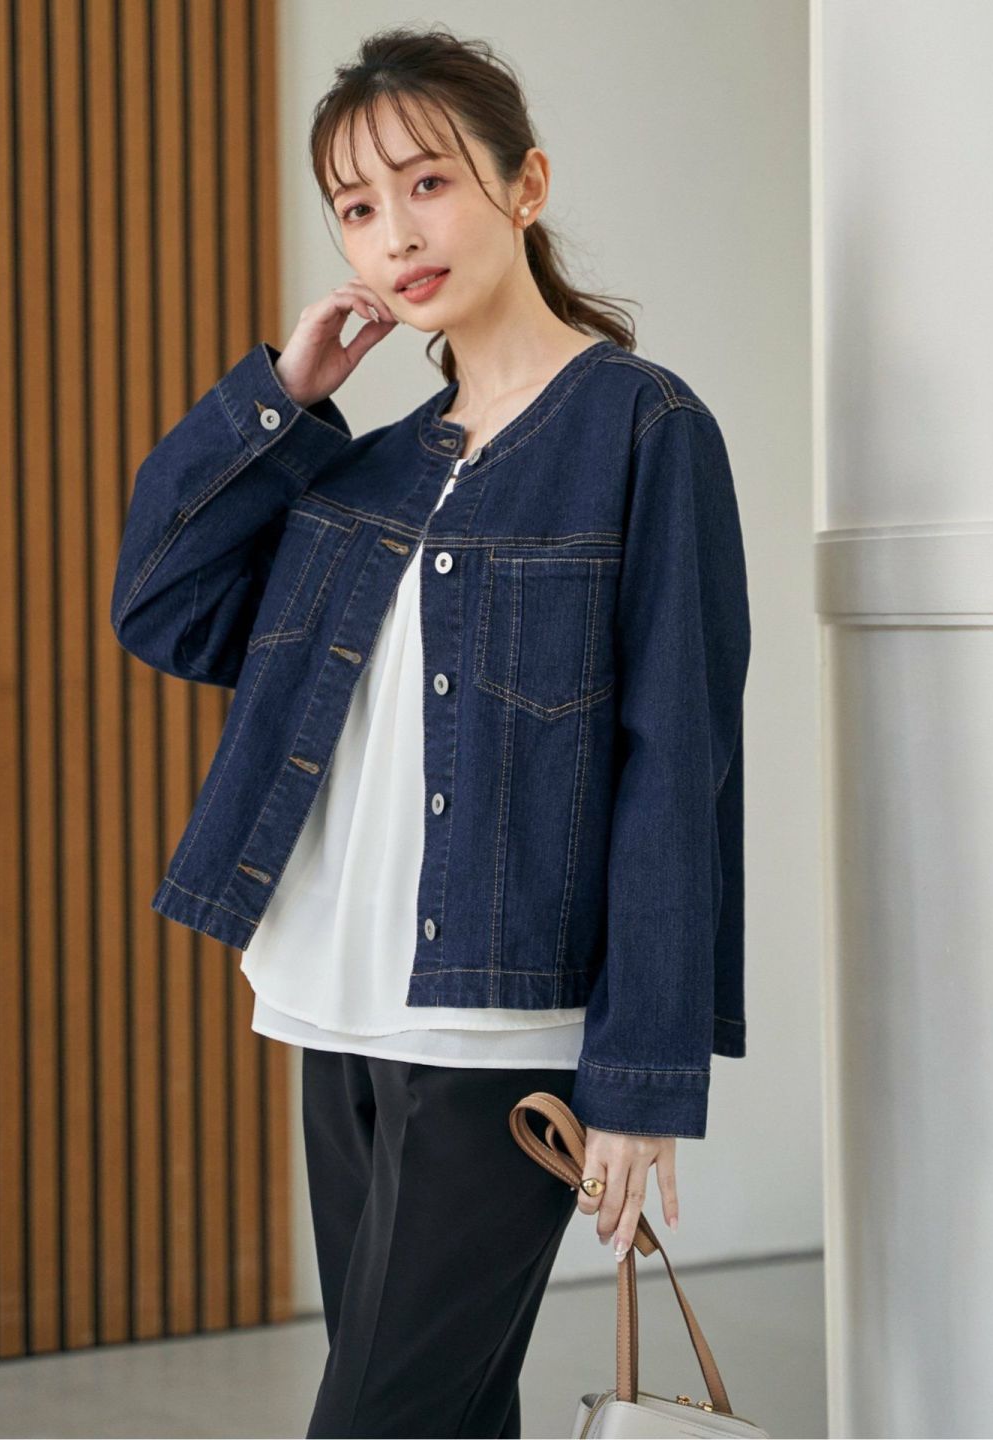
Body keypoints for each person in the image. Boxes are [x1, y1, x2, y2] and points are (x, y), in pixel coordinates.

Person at [110, 23, 751, 1439]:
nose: (394, 234)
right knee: (446, 1419)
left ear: (526, 185)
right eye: (355, 206)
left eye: (427, 183)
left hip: (502, 1028)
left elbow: (677, 766)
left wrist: (642, 1079)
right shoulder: (369, 470)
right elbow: (159, 604)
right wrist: (281, 399)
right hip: (337, 1002)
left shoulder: (643, 431)